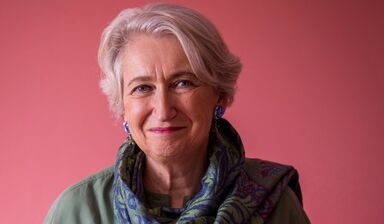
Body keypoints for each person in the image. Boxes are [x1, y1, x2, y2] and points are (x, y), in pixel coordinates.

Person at [45, 3, 310, 224]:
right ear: (122, 105)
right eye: (142, 87)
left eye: (183, 83)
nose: (163, 109)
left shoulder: (276, 205)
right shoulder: (76, 212)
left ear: (219, 93)